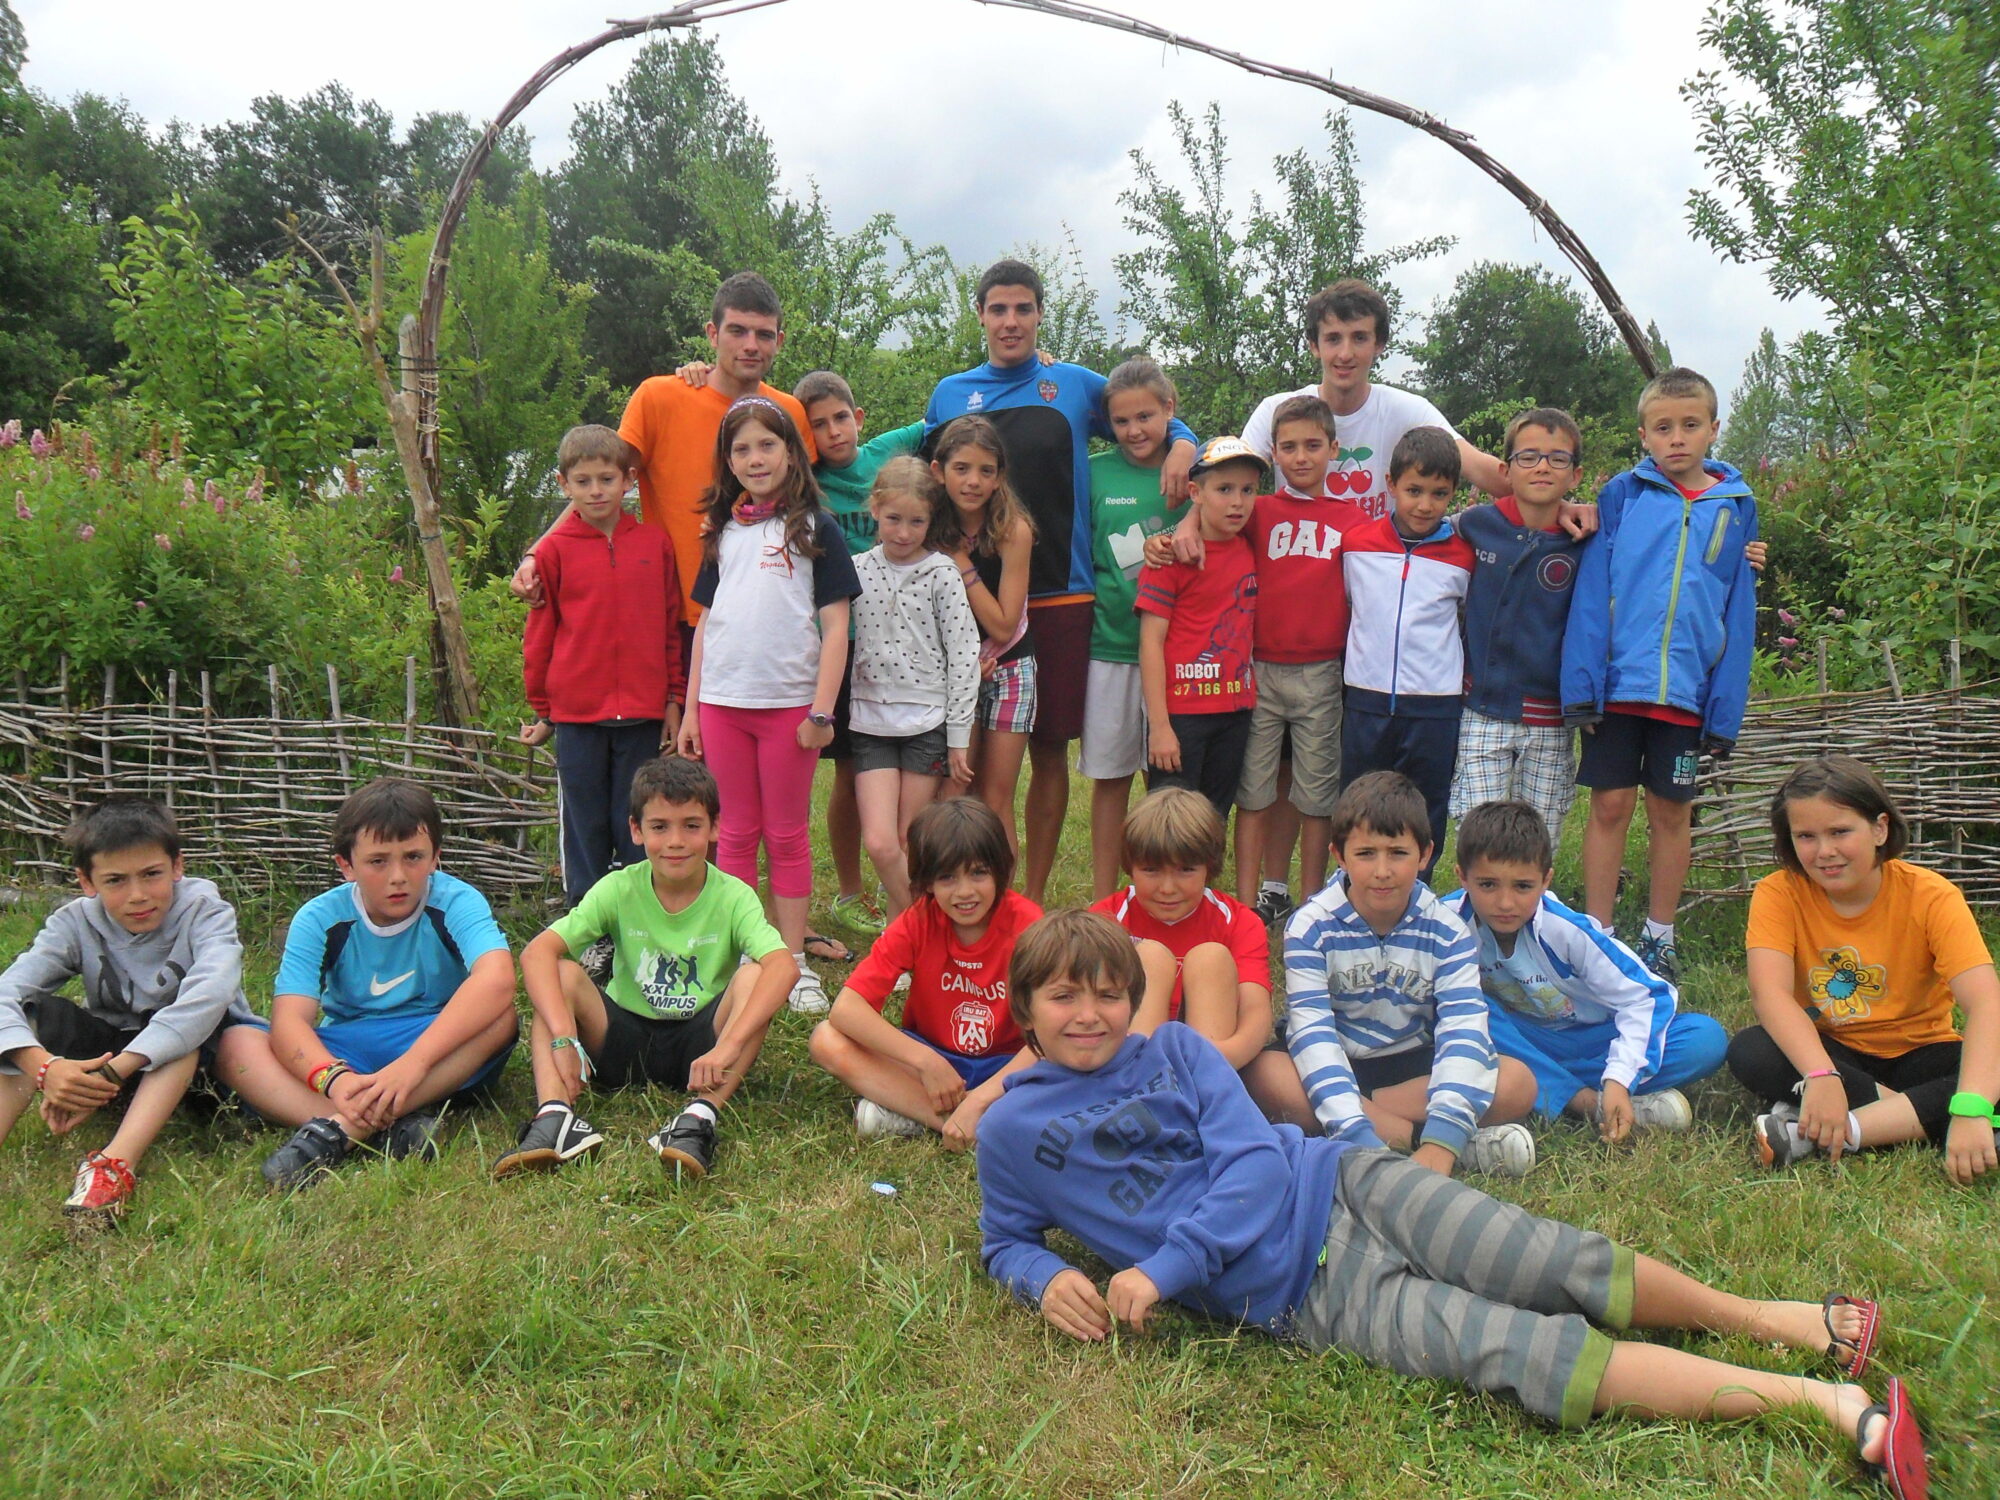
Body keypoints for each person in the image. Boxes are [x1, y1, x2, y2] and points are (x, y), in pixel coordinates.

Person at [976, 909, 1932, 1500]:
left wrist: (1161, 1269)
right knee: (1531, 1356)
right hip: (1306, 1300)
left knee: (1560, 1262)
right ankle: (1824, 1402)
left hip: (1348, 1185)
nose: (1091, 1015)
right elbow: (1002, 1238)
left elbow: (1257, 1172)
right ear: (1027, 1010)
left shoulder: (1180, 1053)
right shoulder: (1010, 1135)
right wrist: (1048, 1272)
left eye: (1108, 994)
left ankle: (1773, 1320)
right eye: (1065, 998)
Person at [923, 259, 1198, 904]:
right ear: (981, 315)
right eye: (998, 309)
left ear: (1041, 313)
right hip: (968, 595)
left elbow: (1148, 410)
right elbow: (924, 469)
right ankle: (974, 884)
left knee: (1048, 751)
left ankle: (1033, 897)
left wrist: (1184, 443)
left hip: (1061, 594)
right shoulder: (950, 391)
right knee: (970, 754)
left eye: (1023, 308)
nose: (1011, 321)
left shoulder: (1072, 385)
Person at [494, 757, 796, 1181]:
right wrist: (564, 1037)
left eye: (692, 825)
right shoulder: (619, 887)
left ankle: (699, 1116)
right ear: (636, 831)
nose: (676, 841)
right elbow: (536, 954)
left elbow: (784, 968)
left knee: (754, 977)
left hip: (702, 1048)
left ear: (714, 828)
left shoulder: (734, 895)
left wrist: (728, 1048)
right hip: (621, 1037)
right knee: (560, 973)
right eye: (660, 827)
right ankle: (555, 1116)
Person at [1561, 367, 1758, 982]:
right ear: (1643, 434)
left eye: (1690, 425)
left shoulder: (1736, 507)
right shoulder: (1622, 496)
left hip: (1686, 691)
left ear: (1713, 430)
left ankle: (1660, 935)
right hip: (1619, 687)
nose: (1677, 438)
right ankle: (1599, 933)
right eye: (1663, 427)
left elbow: (1739, 610)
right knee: (1611, 804)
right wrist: (1583, 686)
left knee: (1673, 811)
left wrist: (1724, 708)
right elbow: (1593, 592)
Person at [676, 397, 862, 1016]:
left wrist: (821, 713)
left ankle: (793, 962)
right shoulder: (722, 530)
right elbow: (706, 624)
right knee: (732, 836)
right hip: (723, 704)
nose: (754, 459)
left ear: (792, 452)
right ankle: (741, 956)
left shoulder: (817, 529)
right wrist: (694, 711)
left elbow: (837, 628)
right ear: (728, 461)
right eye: (741, 449)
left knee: (785, 836)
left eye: (766, 445)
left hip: (790, 710)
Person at [1731, 756, 1999, 1186]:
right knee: (1751, 1050)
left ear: (1879, 828)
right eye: (1806, 836)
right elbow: (1770, 994)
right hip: (1832, 1050)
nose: (1825, 851)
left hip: (1921, 1053)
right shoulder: (1778, 893)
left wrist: (1970, 1105)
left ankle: (1825, 1131)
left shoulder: (1932, 896)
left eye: (1840, 831)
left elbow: (1986, 1003)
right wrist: (1821, 1076)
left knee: (1987, 1066)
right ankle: (1918, 1121)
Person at [252, 779, 520, 1191]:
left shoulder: (456, 901)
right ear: (346, 865)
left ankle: (337, 1131)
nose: (398, 876)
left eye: (413, 857)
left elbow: (498, 977)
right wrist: (334, 1079)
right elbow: (289, 1021)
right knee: (239, 1042)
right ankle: (390, 1124)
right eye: (378, 861)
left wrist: (412, 1065)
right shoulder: (318, 917)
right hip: (350, 1054)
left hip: (434, 1046)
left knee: (500, 1017)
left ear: (436, 859)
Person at [0, 798, 259, 1222]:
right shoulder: (73, 923)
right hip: (114, 1068)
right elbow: (5, 994)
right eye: (116, 880)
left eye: (151, 874)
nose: (137, 895)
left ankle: (114, 1166)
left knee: (183, 1027)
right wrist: (46, 1068)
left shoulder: (204, 911)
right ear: (87, 881)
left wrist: (110, 1073)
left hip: (204, 1075)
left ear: (177, 866)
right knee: (31, 1013)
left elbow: (210, 995)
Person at [1282, 771, 1539, 1176]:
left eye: (1397, 853)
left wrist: (1443, 1136)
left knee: (1517, 1083)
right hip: (1337, 1057)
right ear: (1338, 854)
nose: (1382, 870)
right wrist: (1355, 1129)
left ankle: (1420, 1136)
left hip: (1413, 1067)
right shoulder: (1310, 927)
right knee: (1266, 1077)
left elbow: (1464, 1029)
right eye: (1366, 853)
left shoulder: (1448, 931)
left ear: (1425, 854)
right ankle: (1406, 1139)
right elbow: (1312, 1033)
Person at [1442, 799, 1728, 1140]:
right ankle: (1584, 1101)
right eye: (1488, 885)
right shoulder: (1447, 925)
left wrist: (1619, 1078)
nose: (1505, 903)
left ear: (1546, 880)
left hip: (1593, 1042)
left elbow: (1647, 997)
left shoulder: (1566, 930)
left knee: (1705, 1039)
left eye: (1522, 886)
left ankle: (1584, 1094)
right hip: (1517, 1042)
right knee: (1468, 1009)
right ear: (1462, 877)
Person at [808, 798, 1042, 1147]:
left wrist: (981, 1097)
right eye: (947, 877)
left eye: (978, 872)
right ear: (928, 882)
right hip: (934, 1059)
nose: (965, 892)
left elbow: (1049, 1036)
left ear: (1000, 870)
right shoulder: (919, 920)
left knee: (1066, 1064)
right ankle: (957, 1123)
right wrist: (926, 1062)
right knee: (826, 1039)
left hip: (1007, 1066)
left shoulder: (1030, 927)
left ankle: (927, 1114)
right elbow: (845, 1009)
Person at [520, 424, 685, 910]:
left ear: (629, 481)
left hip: (642, 711)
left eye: (607, 479)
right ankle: (586, 916)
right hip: (577, 715)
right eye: (584, 480)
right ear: (563, 484)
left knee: (633, 819)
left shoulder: (654, 544)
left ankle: (636, 915)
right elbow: (540, 633)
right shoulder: (553, 551)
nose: (596, 491)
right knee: (584, 821)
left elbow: (669, 627)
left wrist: (673, 699)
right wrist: (545, 709)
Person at [797, 368, 926, 949]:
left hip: (895, 643)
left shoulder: (890, 450)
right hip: (836, 648)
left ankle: (907, 884)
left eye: (840, 418)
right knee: (848, 773)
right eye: (819, 425)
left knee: (888, 770)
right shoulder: (804, 481)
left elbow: (957, 416)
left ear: (859, 417)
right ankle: (850, 891)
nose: (833, 432)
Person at [1089, 788, 1311, 1122]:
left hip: (1210, 1058)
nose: (1167, 887)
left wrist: (1211, 1061)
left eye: (1185, 871)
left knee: (1211, 957)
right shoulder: (1105, 919)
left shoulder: (1238, 922)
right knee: (1149, 956)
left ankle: (1200, 1112)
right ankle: (1139, 1105)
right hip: (1125, 1061)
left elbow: (1256, 1015)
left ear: (1210, 866)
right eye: (1151, 870)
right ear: (1129, 867)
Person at [1231, 394, 1367, 920]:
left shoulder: (1352, 519)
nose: (1302, 457)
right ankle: (1248, 903)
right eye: (1288, 447)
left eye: (1313, 445)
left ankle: (1309, 903)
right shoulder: (1257, 512)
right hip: (1259, 668)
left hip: (1322, 673)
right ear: (1273, 453)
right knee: (1256, 790)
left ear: (1334, 448)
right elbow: (1208, 522)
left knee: (1316, 796)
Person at [1240, 278, 1506, 516]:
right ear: (1314, 346)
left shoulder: (1408, 411)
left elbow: (1480, 469)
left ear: (1379, 344)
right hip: (1299, 564)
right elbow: (1229, 482)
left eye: (1359, 338)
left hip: (1379, 566)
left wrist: (1542, 487)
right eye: (1333, 339)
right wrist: (1196, 519)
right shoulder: (1277, 411)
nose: (1345, 354)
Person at [848, 457, 981, 916]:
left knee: (911, 838)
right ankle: (920, 929)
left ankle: (903, 934)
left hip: (927, 722)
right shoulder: (856, 569)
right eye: (893, 520)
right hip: (869, 718)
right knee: (882, 844)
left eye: (916, 521)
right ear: (874, 511)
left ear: (931, 518)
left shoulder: (942, 572)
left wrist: (959, 736)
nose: (904, 532)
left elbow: (964, 654)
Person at [1338, 428, 1474, 873]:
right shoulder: (1356, 544)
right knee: (1359, 799)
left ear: (1454, 494)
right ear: (1391, 483)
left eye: (1439, 494)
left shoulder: (1463, 555)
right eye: (1414, 490)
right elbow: (1347, 605)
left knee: (1424, 803)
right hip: (1366, 700)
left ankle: (1416, 892)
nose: (1425, 504)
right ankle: (1352, 888)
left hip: (1434, 705)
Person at [1449, 408, 1589, 845]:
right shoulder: (1475, 525)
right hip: (1482, 710)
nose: (1543, 466)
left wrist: (1739, 555)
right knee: (1479, 830)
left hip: (1550, 717)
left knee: (1540, 836)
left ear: (1576, 475)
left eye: (1557, 458)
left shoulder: (1587, 539)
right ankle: (1478, 910)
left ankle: (1535, 911)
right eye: (1529, 457)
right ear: (1506, 470)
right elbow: (1413, 532)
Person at [1081, 357, 1188, 900]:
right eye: (1122, 421)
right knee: (1111, 778)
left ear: (1169, 408)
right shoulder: (1094, 471)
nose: (1134, 430)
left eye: (1146, 416)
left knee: (1165, 781)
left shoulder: (1193, 469)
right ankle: (1105, 899)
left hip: (1181, 652)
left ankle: (1159, 893)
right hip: (1111, 648)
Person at [1135, 436, 1262, 819]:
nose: (1237, 501)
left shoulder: (1250, 547)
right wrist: (1159, 726)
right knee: (1170, 822)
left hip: (1235, 710)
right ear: (1196, 492)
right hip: (1182, 714)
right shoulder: (1170, 557)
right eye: (1224, 489)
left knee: (1214, 818)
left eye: (1247, 490)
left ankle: (1206, 883)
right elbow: (1151, 644)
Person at [929, 414, 1036, 851]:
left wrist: (961, 561)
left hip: (1009, 665)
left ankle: (1006, 910)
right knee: (954, 792)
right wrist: (961, 663)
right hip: (954, 671)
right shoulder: (925, 525)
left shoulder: (1014, 530)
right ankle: (938, 895)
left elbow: (1004, 623)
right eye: (962, 468)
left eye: (985, 471)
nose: (973, 481)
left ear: (999, 478)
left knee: (995, 799)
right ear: (938, 472)